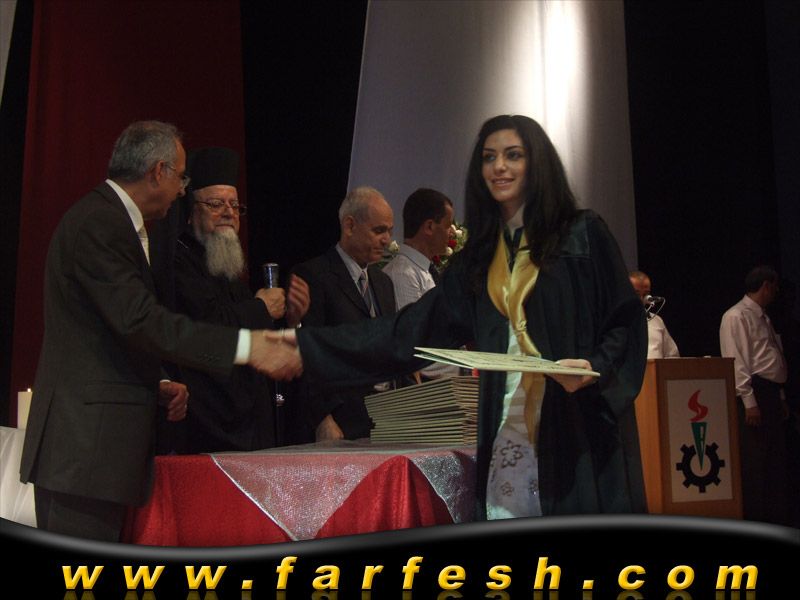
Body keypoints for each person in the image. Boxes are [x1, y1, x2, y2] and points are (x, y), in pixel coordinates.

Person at [277, 115, 648, 518]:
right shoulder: (480, 259)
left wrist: (594, 366)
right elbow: (406, 333)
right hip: (508, 443)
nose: (499, 166)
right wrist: (307, 349)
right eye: (489, 157)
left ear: (537, 162)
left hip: (576, 435)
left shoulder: (582, 235)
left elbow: (624, 322)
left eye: (513, 155)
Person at [19, 121, 299, 541]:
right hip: (85, 449)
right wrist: (246, 346)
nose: (182, 190)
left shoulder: (112, 220)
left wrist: (158, 382)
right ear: (157, 171)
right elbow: (141, 321)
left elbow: (108, 332)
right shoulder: (101, 223)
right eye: (181, 178)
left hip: (96, 451)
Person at [166, 146, 309, 452]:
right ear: (191, 212)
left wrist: (292, 321)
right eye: (216, 204)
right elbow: (209, 327)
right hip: (207, 420)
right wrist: (261, 307)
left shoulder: (226, 267)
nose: (229, 213)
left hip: (248, 417)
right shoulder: (179, 263)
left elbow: (253, 337)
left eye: (234, 205)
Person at [290, 186, 397, 442]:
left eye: (389, 231)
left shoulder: (383, 282)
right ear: (349, 226)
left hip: (387, 418)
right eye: (379, 230)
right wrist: (322, 417)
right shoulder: (314, 276)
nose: (387, 240)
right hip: (342, 421)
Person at [719, 265, 789, 525]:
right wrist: (749, 401)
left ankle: (774, 518)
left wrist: (780, 396)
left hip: (770, 392)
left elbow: (771, 357)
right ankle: (755, 520)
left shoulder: (763, 316)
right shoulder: (736, 316)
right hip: (754, 393)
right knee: (756, 461)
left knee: (774, 461)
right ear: (766, 286)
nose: (776, 293)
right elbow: (737, 360)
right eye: (775, 287)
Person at [382, 187, 459, 381]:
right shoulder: (403, 274)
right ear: (429, 227)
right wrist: (467, 367)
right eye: (448, 225)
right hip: (426, 389)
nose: (452, 232)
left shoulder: (426, 271)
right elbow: (413, 349)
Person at [629, 270, 680, 359]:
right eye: (636, 294)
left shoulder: (657, 320)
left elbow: (672, 355)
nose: (641, 299)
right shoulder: (616, 320)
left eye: (645, 294)